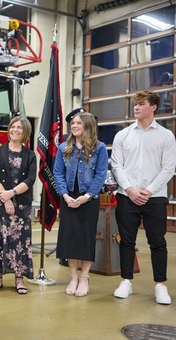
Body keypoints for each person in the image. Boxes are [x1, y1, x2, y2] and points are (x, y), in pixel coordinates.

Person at [111, 90, 176, 304]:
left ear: (153, 107)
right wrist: (130, 189)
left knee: (157, 241)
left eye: (141, 104)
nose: (136, 108)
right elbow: (116, 166)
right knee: (126, 241)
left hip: (155, 198)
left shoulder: (166, 136)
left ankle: (160, 286)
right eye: (135, 104)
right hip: (126, 196)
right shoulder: (123, 135)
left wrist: (148, 191)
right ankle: (126, 281)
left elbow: (168, 168)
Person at [54, 109, 108, 297]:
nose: (74, 126)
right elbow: (58, 173)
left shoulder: (99, 148)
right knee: (70, 239)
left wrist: (88, 196)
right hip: (68, 197)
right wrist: (64, 195)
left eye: (78, 123)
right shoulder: (63, 148)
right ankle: (73, 277)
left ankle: (84, 277)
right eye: (73, 123)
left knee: (85, 239)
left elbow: (100, 174)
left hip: (88, 198)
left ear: (88, 126)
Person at [0, 116, 37, 294]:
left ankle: (19, 279)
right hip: (0, 203)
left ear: (25, 132)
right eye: (13, 127)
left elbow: (30, 180)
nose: (15, 130)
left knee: (20, 240)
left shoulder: (30, 155)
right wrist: (6, 198)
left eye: (19, 128)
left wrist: (12, 194)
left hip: (21, 205)